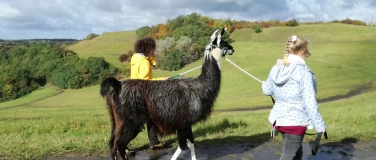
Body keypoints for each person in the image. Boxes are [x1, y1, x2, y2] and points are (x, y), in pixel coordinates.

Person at [262, 35, 326, 160]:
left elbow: (267, 90)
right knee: (288, 156)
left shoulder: (276, 68)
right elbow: (309, 101)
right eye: (308, 53)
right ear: (302, 52)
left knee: (296, 153)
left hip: (279, 120)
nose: (308, 55)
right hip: (295, 121)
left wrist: (264, 84)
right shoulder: (304, 73)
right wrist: (320, 126)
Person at [127, 37, 167, 153]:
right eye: (153, 49)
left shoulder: (137, 59)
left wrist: (151, 60)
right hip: (143, 94)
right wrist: (162, 80)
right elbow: (146, 82)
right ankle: (122, 146)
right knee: (137, 124)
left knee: (152, 118)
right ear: (148, 49)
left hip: (136, 92)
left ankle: (154, 142)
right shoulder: (144, 63)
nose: (154, 51)